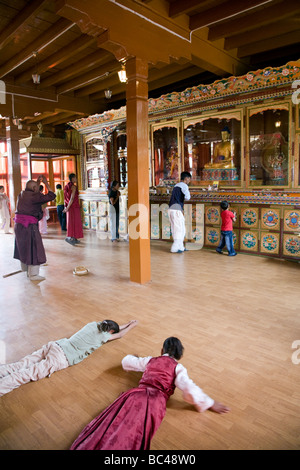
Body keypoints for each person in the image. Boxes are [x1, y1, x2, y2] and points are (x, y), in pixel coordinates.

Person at [70, 337, 229, 450]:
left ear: (162, 350)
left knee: (113, 422)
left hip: (134, 395)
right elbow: (189, 389)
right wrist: (209, 403)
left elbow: (126, 361)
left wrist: (135, 358)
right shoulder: (178, 368)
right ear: (180, 356)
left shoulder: (151, 360)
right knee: (133, 432)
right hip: (155, 402)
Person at [0, 319, 138, 397]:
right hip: (61, 357)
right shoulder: (104, 336)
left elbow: (114, 329)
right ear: (110, 332)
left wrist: (126, 323)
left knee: (23, 364)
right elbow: (119, 335)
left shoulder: (92, 324)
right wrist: (131, 326)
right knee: (28, 373)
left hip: (56, 344)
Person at [13, 176, 56, 281]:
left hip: (19, 226)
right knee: (34, 248)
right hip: (29, 227)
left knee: (23, 247)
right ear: (34, 189)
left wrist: (36, 183)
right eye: (37, 187)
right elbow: (52, 195)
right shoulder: (33, 196)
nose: (38, 188)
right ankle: (33, 275)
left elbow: (34, 193)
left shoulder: (21, 194)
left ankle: (25, 269)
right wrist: (45, 182)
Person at [168, 171, 191, 253]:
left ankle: (180, 247)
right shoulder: (184, 186)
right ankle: (174, 248)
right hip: (177, 209)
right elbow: (188, 197)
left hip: (171, 208)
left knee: (176, 228)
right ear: (186, 178)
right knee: (179, 229)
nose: (189, 181)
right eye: (189, 179)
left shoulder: (176, 186)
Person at [63, 173, 83, 246]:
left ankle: (73, 237)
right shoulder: (73, 187)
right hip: (73, 207)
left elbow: (65, 198)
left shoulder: (66, 186)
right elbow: (71, 198)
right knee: (74, 222)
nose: (76, 179)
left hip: (69, 207)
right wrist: (67, 207)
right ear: (72, 178)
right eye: (75, 178)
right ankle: (70, 237)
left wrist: (66, 207)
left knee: (71, 222)